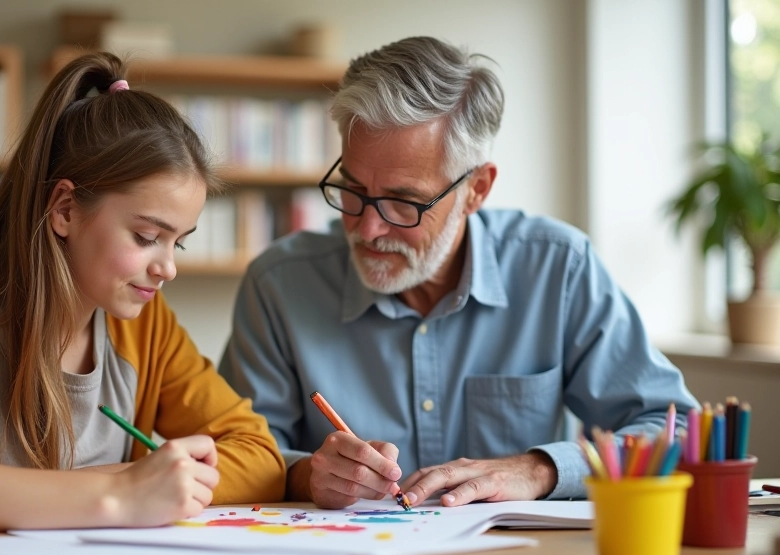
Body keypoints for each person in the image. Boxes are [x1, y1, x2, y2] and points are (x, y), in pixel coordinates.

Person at [219, 36, 697, 510]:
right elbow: (231, 453)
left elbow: (676, 429)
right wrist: (305, 476)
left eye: (403, 201)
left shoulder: (558, 269)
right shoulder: (279, 284)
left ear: (476, 190)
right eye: (353, 189)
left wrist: (540, 468)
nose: (367, 227)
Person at [0, 53, 285, 532]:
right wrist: (119, 492)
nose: (169, 268)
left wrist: (135, 484)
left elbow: (261, 457)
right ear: (66, 210)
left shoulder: (146, 329)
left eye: (179, 241)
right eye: (145, 236)